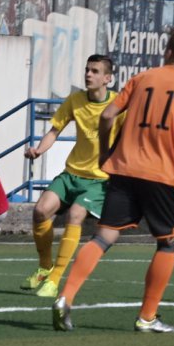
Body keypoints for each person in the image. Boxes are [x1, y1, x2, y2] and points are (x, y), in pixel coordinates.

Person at [52, 26, 174, 333]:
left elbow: (107, 116)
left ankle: (66, 297)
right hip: (159, 175)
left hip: (123, 169)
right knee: (168, 241)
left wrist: (105, 153)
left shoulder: (142, 79)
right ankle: (147, 317)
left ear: (167, 52)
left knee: (103, 236)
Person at [20, 54, 122, 298]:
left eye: (95, 71)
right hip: (72, 173)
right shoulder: (75, 100)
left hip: (99, 179)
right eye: (87, 70)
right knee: (40, 210)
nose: (88, 74)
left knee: (75, 215)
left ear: (108, 78)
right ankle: (45, 268)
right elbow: (54, 131)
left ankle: (55, 281)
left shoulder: (118, 105)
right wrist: (38, 150)